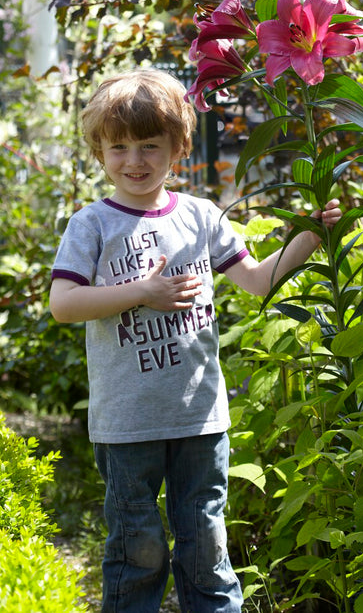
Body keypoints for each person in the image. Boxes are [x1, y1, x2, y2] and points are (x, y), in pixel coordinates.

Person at [48, 68, 341, 613]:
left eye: (150, 146)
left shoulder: (200, 216)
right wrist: (143, 293)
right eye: (120, 148)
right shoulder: (92, 225)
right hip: (127, 421)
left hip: (200, 417)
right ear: (99, 151)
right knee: (138, 550)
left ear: (179, 146)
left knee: (206, 547)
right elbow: (64, 304)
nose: (134, 161)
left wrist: (308, 234)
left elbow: (257, 280)